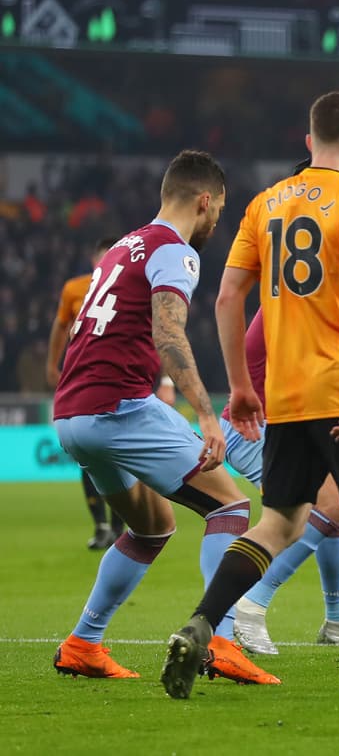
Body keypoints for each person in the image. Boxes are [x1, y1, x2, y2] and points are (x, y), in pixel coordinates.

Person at [162, 92, 339, 700]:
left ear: (309, 142)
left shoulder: (264, 204)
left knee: (279, 521)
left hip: (283, 396)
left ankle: (204, 622)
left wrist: (242, 388)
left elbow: (228, 299)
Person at [51, 150, 278, 687]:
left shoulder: (121, 249)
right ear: (204, 201)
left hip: (71, 414)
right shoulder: (175, 252)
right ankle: (217, 640)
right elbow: (168, 334)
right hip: (119, 407)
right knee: (233, 504)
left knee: (151, 527)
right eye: (219, 210)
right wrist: (208, 415)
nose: (217, 221)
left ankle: (83, 643)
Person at [226, 310, 339, 655]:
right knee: (325, 507)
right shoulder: (293, 304)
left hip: (287, 422)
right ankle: (251, 604)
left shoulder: (309, 298)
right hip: (256, 427)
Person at [47, 237, 126, 550]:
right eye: (102, 258)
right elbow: (59, 325)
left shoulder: (130, 288)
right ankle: (101, 526)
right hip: (82, 383)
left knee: (117, 455)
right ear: (95, 260)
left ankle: (120, 527)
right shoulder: (74, 289)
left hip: (118, 383)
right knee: (87, 455)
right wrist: (52, 365)